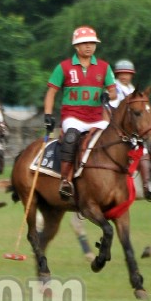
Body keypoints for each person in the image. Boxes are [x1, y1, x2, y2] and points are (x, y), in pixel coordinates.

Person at [43, 26, 117, 201]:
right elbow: (51, 92)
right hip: (73, 116)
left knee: (115, 139)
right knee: (71, 138)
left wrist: (108, 94)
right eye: (84, 43)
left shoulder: (104, 67)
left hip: (97, 118)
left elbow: (113, 92)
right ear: (76, 46)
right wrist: (47, 115)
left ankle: (124, 176)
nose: (88, 46)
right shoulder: (64, 67)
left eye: (92, 43)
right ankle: (65, 179)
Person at [110, 58, 151, 200]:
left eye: (127, 74)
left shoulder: (133, 91)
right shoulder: (114, 89)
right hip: (117, 129)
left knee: (145, 149)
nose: (124, 76)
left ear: (132, 75)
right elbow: (113, 109)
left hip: (132, 131)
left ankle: (147, 184)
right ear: (117, 75)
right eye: (121, 73)